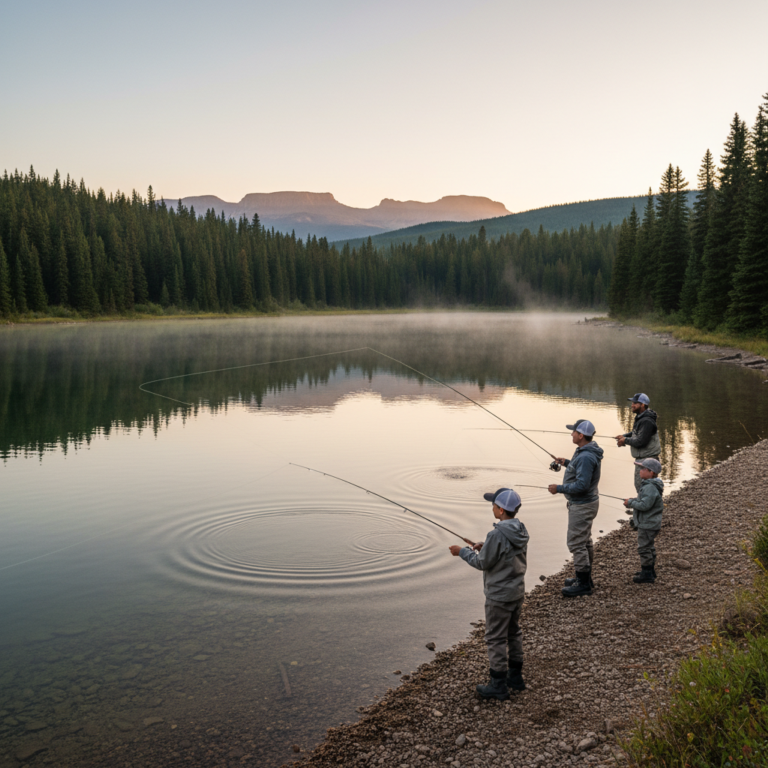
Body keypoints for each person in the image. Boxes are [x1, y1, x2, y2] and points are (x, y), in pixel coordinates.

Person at [449, 487, 529, 701]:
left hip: (499, 596)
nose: (492, 507)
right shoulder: (520, 529)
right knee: (513, 633)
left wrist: (463, 552)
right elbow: (504, 553)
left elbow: (481, 563)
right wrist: (484, 546)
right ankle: (516, 679)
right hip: (517, 591)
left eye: (493, 505)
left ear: (501, 510)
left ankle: (498, 685)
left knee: (495, 638)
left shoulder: (496, 533)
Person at [548, 419, 604, 598]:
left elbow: (582, 485)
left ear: (581, 435)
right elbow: (581, 469)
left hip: (582, 505)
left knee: (576, 543)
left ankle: (583, 584)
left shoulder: (586, 456)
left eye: (573, 432)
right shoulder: (585, 452)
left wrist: (559, 488)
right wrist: (566, 462)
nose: (571, 434)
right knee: (585, 540)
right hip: (586, 504)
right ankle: (585, 579)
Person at [623, 458, 664, 584]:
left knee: (644, 548)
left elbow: (645, 505)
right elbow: (645, 500)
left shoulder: (650, 487)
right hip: (651, 523)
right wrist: (634, 499)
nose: (640, 471)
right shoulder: (650, 485)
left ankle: (647, 574)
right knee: (649, 546)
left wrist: (630, 503)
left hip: (648, 524)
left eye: (643, 469)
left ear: (651, 472)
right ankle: (649, 571)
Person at [615, 393, 661, 493]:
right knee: (642, 488)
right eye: (632, 402)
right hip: (644, 460)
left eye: (635, 403)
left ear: (643, 405)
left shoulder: (647, 421)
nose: (632, 405)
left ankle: (645, 507)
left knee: (644, 489)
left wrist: (625, 440)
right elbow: (636, 433)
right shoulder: (642, 417)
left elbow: (641, 441)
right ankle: (644, 506)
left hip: (647, 460)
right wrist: (624, 436)